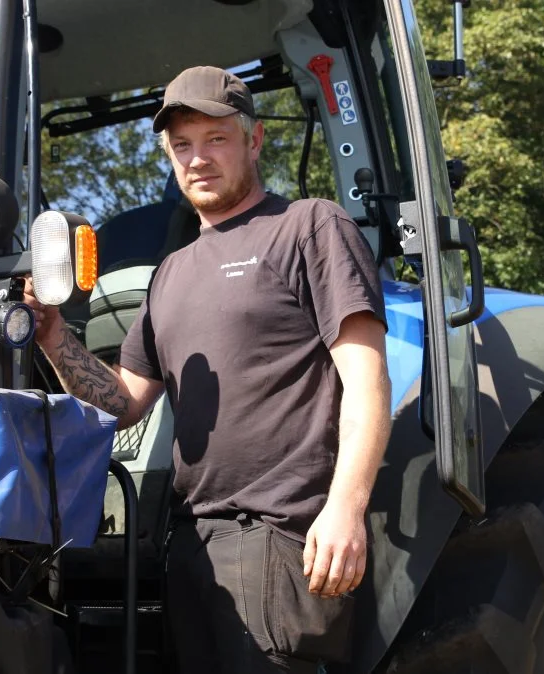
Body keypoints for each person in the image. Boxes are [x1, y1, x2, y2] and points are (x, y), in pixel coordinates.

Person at [23, 65, 390, 673]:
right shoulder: (170, 274)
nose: (198, 158)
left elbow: (366, 380)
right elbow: (124, 402)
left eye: (215, 138)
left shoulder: (308, 226)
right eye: (182, 145)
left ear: (254, 139)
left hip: (280, 539)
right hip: (192, 547)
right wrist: (54, 336)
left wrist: (346, 509)